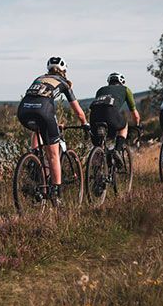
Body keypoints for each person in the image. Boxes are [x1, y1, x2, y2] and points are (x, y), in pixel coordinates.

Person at [17, 57, 89, 201]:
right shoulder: (64, 83)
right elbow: (79, 112)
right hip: (44, 112)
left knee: (38, 129)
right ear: (64, 71)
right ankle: (56, 194)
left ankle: (34, 160)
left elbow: (36, 100)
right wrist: (85, 124)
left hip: (23, 111)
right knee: (53, 155)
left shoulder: (39, 78)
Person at [89, 72, 141, 152]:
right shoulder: (125, 89)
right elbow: (135, 114)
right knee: (124, 125)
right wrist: (137, 125)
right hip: (110, 112)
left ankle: (97, 158)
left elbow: (100, 105)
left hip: (93, 115)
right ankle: (118, 150)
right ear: (122, 82)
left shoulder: (100, 90)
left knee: (99, 144)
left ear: (109, 81)